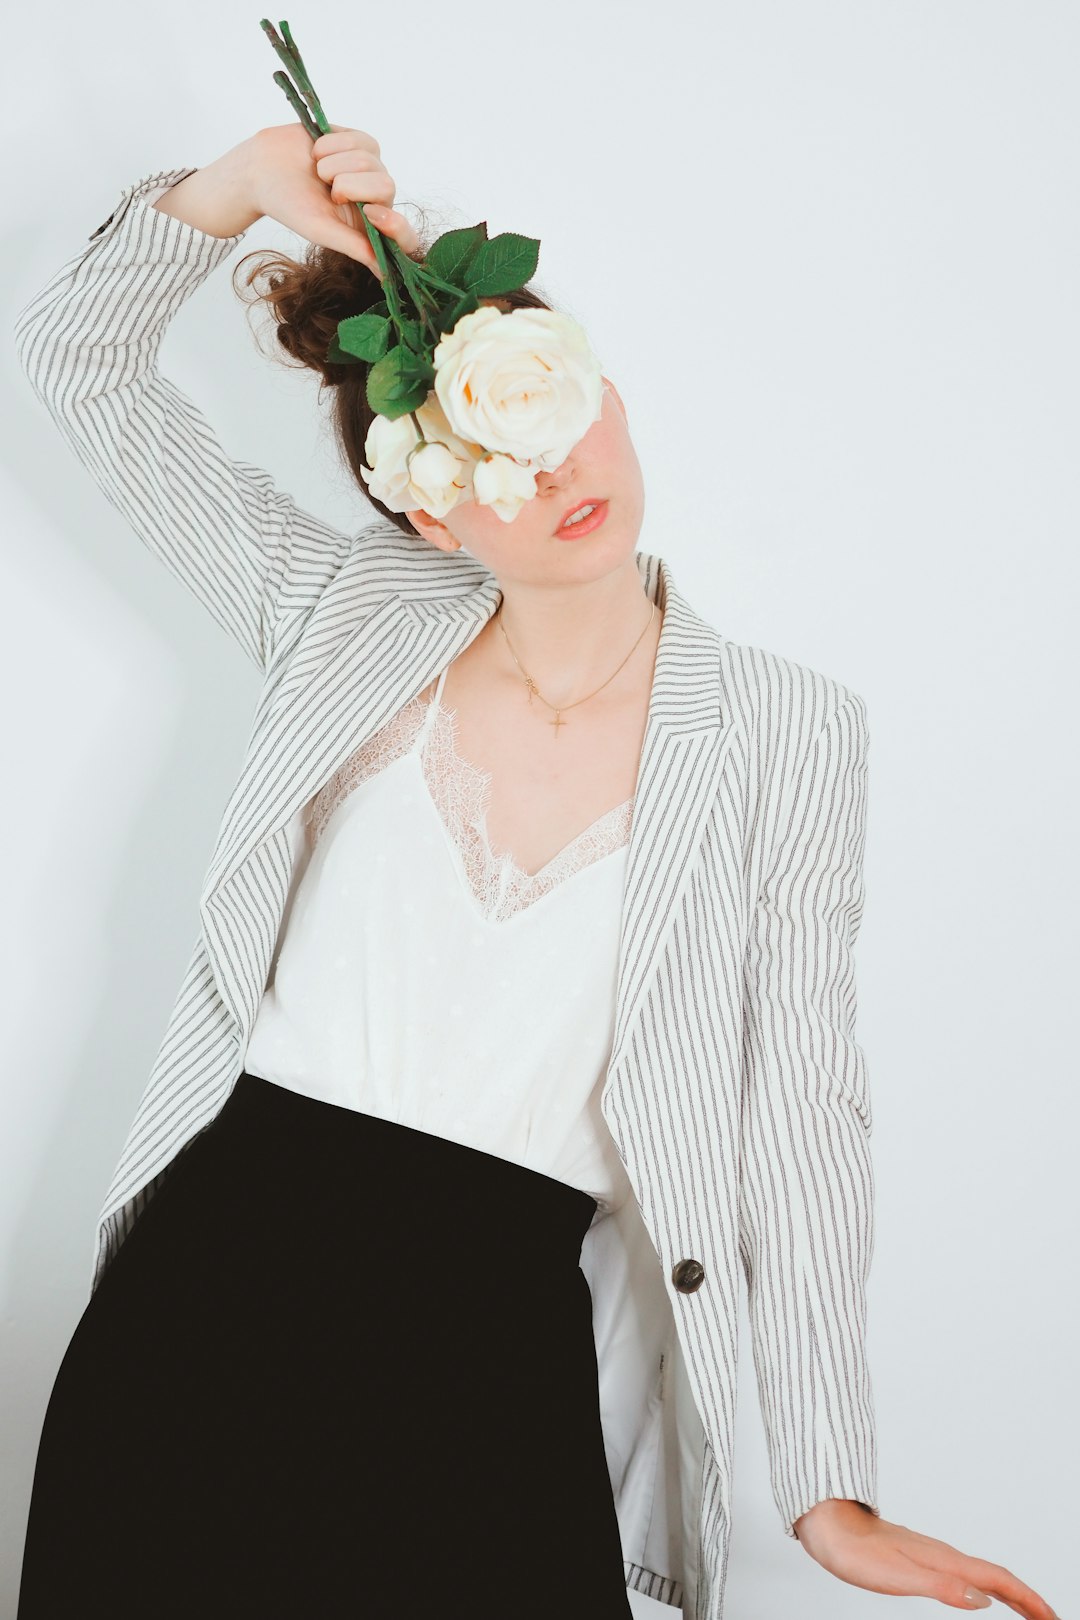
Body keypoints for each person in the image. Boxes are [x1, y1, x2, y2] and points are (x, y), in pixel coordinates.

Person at [12, 123, 1058, 1620]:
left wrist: (830, 1488)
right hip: (217, 1292)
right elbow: (82, 372)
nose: (552, 466)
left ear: (612, 396)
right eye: (486, 450)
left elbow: (804, 1109)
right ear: (425, 505)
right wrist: (238, 191)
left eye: (560, 410)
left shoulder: (788, 731)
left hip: (493, 1331)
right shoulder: (345, 611)